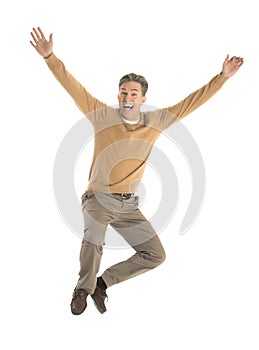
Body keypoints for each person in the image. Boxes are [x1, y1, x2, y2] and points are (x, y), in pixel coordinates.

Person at [30, 27, 244, 315]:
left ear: (143, 98)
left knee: (155, 255)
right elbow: (73, 86)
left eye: (134, 92)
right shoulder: (101, 115)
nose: (127, 96)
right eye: (123, 92)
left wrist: (222, 78)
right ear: (117, 96)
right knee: (93, 240)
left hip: (128, 206)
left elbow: (190, 102)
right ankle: (82, 288)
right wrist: (50, 57)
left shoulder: (155, 121)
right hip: (98, 200)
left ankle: (102, 284)